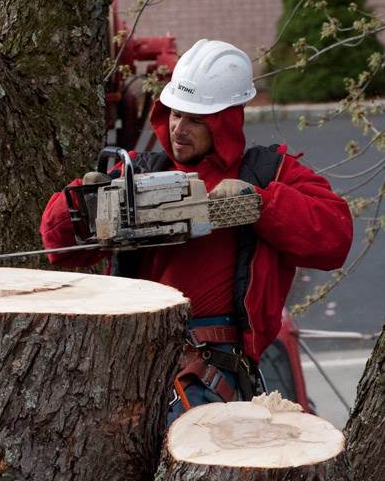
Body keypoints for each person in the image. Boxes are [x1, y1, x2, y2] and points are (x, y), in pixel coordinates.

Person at [40, 39, 353, 423]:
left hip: (211, 374)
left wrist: (260, 204)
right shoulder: (139, 171)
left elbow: (335, 237)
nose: (178, 129)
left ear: (226, 121)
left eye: (196, 119)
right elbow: (57, 246)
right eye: (174, 114)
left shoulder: (268, 174)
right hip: (132, 370)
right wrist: (82, 205)